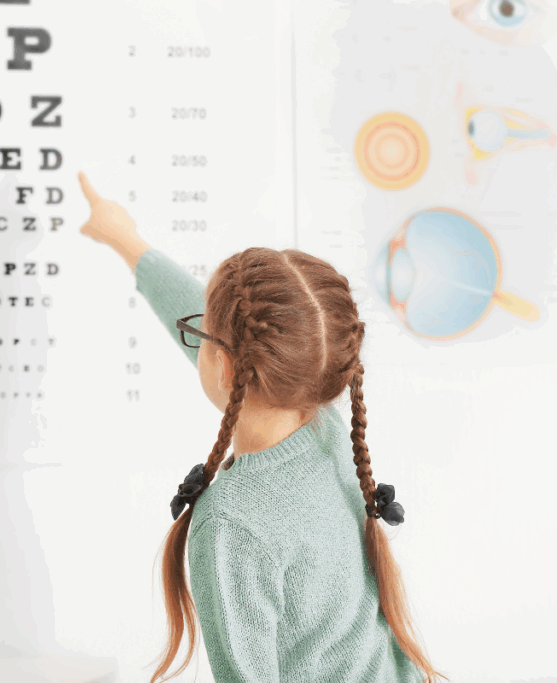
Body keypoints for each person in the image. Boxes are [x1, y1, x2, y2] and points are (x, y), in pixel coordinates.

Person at [77, 171, 448, 683]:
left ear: (228, 367)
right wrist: (125, 238)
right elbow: (221, 331)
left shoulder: (231, 524)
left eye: (201, 333)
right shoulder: (323, 427)